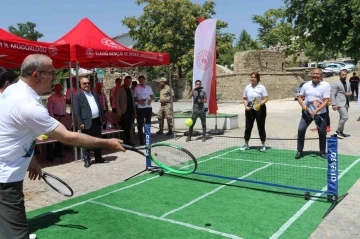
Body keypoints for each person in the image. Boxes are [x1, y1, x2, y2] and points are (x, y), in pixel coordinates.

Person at [0, 54, 124, 239]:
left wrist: (31, 159)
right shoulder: (29, 105)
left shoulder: (11, 90)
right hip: (5, 179)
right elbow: (67, 136)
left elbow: (13, 133)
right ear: (36, 75)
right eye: (51, 73)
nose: (55, 78)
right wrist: (107, 143)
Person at [295, 68, 330, 159]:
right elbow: (299, 97)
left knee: (322, 132)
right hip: (307, 113)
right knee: (301, 130)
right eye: (314, 74)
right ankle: (299, 150)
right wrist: (303, 106)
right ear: (311, 74)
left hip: (321, 113)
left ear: (321, 76)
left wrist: (317, 111)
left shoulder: (326, 85)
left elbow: (326, 101)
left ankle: (322, 152)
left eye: (317, 74)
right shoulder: (306, 85)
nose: (315, 75)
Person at [73, 77, 106, 168]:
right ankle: (87, 159)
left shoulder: (94, 93)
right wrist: (80, 122)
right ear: (81, 85)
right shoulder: (77, 95)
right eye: (84, 84)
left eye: (88, 83)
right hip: (86, 122)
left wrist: (102, 119)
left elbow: (100, 106)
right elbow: (77, 110)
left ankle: (98, 157)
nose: (87, 85)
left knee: (98, 140)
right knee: (86, 142)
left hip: (96, 121)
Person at [240, 72, 268, 152]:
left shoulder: (261, 87)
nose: (253, 78)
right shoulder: (247, 87)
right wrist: (246, 106)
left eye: (254, 77)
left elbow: (265, 98)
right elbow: (245, 98)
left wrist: (258, 105)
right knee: (248, 127)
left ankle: (263, 145)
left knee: (261, 127)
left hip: (260, 108)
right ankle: (246, 144)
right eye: (251, 77)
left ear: (257, 78)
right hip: (249, 107)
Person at [47, 83, 67, 159]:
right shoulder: (51, 98)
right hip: (55, 117)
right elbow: (50, 109)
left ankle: (58, 152)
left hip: (63, 117)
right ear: (55, 89)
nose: (59, 89)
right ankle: (50, 155)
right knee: (52, 136)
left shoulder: (63, 97)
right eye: (57, 88)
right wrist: (53, 119)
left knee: (61, 135)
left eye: (60, 88)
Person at [331, 70, 352, 139]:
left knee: (342, 118)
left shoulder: (348, 83)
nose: (344, 76)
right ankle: (337, 131)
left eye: (345, 74)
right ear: (339, 75)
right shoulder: (336, 84)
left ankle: (341, 132)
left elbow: (350, 91)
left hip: (346, 103)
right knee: (345, 117)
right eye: (343, 75)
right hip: (339, 103)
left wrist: (349, 94)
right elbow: (332, 94)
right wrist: (333, 104)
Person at [116, 76, 136, 145]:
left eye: (130, 82)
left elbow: (133, 102)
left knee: (129, 127)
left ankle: (128, 141)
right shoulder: (119, 89)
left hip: (130, 112)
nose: (129, 83)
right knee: (124, 128)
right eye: (127, 81)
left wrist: (134, 112)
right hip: (123, 112)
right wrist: (119, 112)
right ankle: (123, 142)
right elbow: (117, 101)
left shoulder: (131, 90)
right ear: (124, 81)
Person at [133, 75, 154, 145]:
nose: (141, 82)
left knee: (148, 124)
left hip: (148, 107)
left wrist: (150, 101)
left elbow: (152, 95)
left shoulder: (149, 87)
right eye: (140, 80)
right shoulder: (136, 88)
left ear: (144, 80)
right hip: (140, 108)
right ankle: (141, 140)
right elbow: (134, 98)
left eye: (142, 80)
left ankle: (148, 139)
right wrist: (139, 101)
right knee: (140, 124)